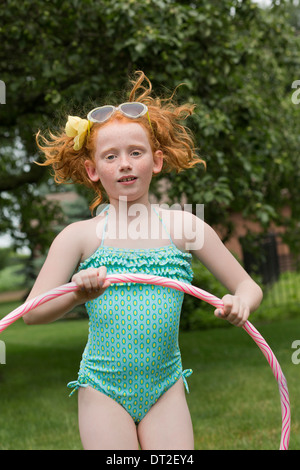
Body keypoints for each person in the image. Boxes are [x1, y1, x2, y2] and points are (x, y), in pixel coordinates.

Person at [23, 71, 263, 450]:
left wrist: (241, 303)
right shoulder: (79, 237)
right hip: (103, 389)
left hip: (165, 387)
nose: (124, 164)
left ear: (157, 160)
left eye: (136, 152)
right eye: (110, 156)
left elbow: (248, 285)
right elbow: (32, 312)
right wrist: (77, 295)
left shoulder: (185, 227)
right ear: (92, 170)